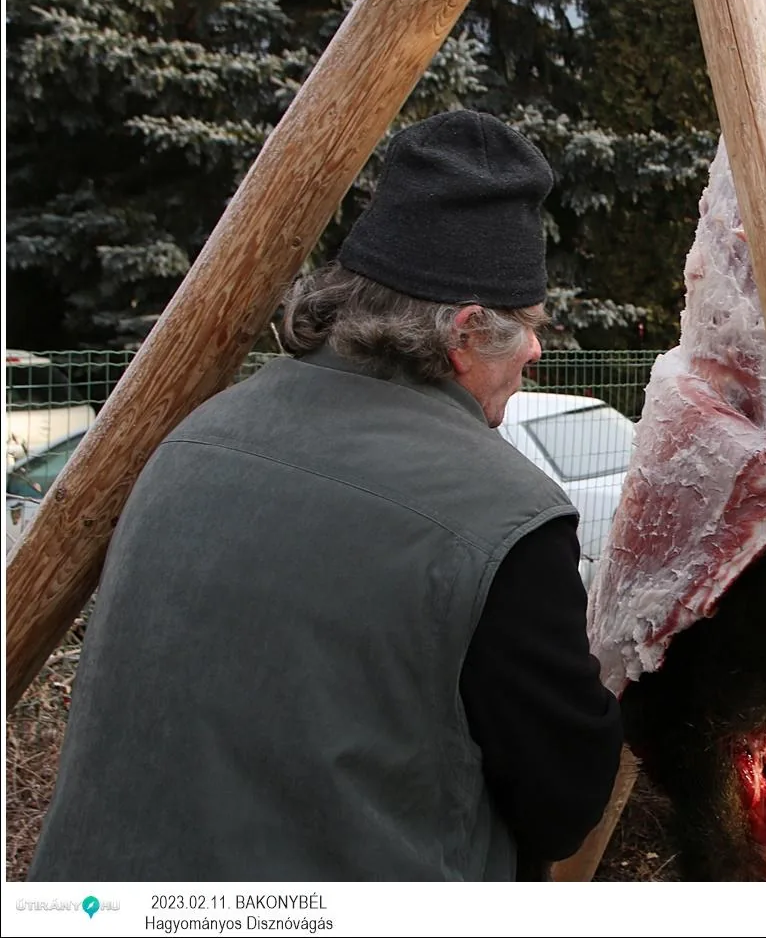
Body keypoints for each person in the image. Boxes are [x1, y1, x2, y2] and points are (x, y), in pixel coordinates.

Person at [29, 110, 624, 881]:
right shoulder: (506, 518)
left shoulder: (190, 440)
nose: (538, 349)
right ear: (469, 332)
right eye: (528, 323)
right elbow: (562, 802)